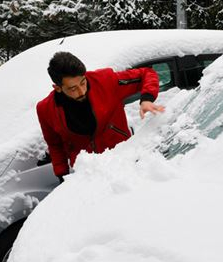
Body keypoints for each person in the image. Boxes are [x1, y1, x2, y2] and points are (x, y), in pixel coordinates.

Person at [36, 52, 165, 179]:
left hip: (124, 160)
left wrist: (147, 99)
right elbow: (54, 145)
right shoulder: (45, 109)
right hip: (87, 173)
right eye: (73, 88)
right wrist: (62, 175)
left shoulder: (105, 81)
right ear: (58, 88)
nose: (82, 91)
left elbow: (146, 74)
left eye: (83, 82)